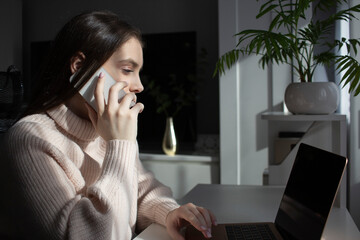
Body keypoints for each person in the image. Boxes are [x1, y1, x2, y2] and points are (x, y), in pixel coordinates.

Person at [1, 10, 216, 240]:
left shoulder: (107, 128)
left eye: (138, 72)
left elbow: (141, 190)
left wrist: (169, 212)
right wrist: (119, 143)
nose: (140, 86)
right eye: (127, 70)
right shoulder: (29, 139)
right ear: (79, 66)